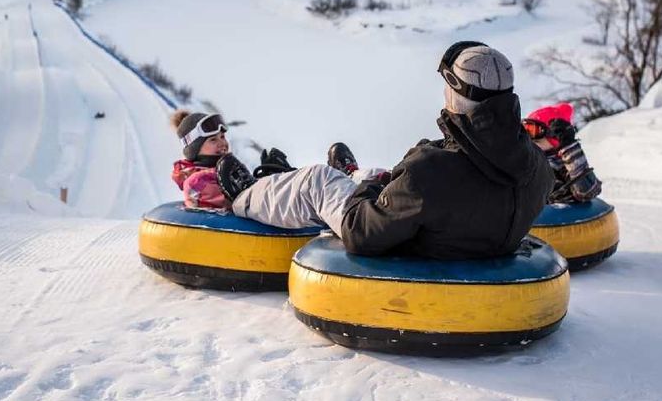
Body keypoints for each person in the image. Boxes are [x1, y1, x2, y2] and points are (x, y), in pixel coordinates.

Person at [217, 41, 554, 260]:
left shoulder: (429, 170)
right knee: (378, 177)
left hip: (409, 246)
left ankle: (245, 196)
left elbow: (360, 233)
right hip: (455, 232)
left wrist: (371, 189)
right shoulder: (537, 167)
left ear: (454, 92)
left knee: (316, 181)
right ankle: (353, 176)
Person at [170, 111, 379, 211]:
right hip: (254, 214)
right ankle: (339, 188)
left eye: (223, 137)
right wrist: (256, 186)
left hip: (261, 205)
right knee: (310, 182)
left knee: (308, 178)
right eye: (213, 140)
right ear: (195, 149)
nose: (222, 143)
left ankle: (347, 181)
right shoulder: (196, 182)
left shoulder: (221, 171)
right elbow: (239, 203)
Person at [522, 103, 602, 203]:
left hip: (559, 215)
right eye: (526, 130)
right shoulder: (529, 162)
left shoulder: (563, 165)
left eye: (532, 130)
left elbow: (587, 192)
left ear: (553, 134)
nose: (530, 137)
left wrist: (569, 147)